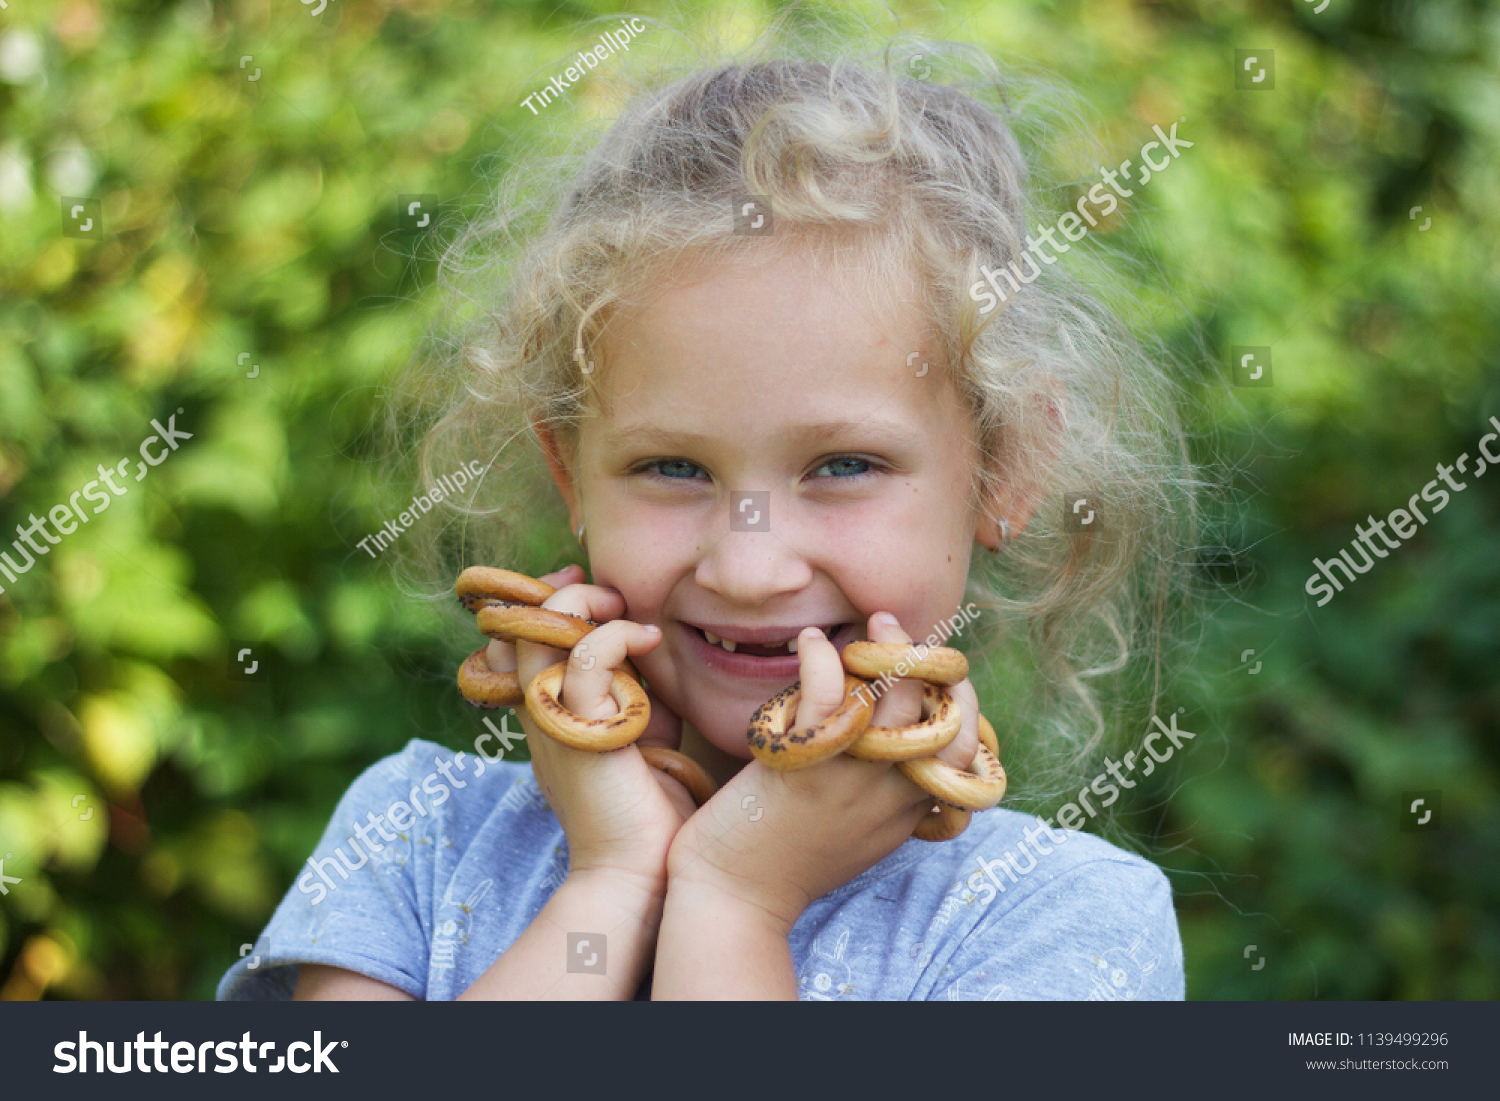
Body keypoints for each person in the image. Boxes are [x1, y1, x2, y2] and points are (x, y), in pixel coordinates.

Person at [219, 39, 1195, 1002]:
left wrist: (735, 902)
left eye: (845, 465)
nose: (751, 566)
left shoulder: (1064, 925)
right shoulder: (414, 838)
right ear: (572, 474)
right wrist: (610, 884)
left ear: (1006, 470)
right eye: (673, 467)